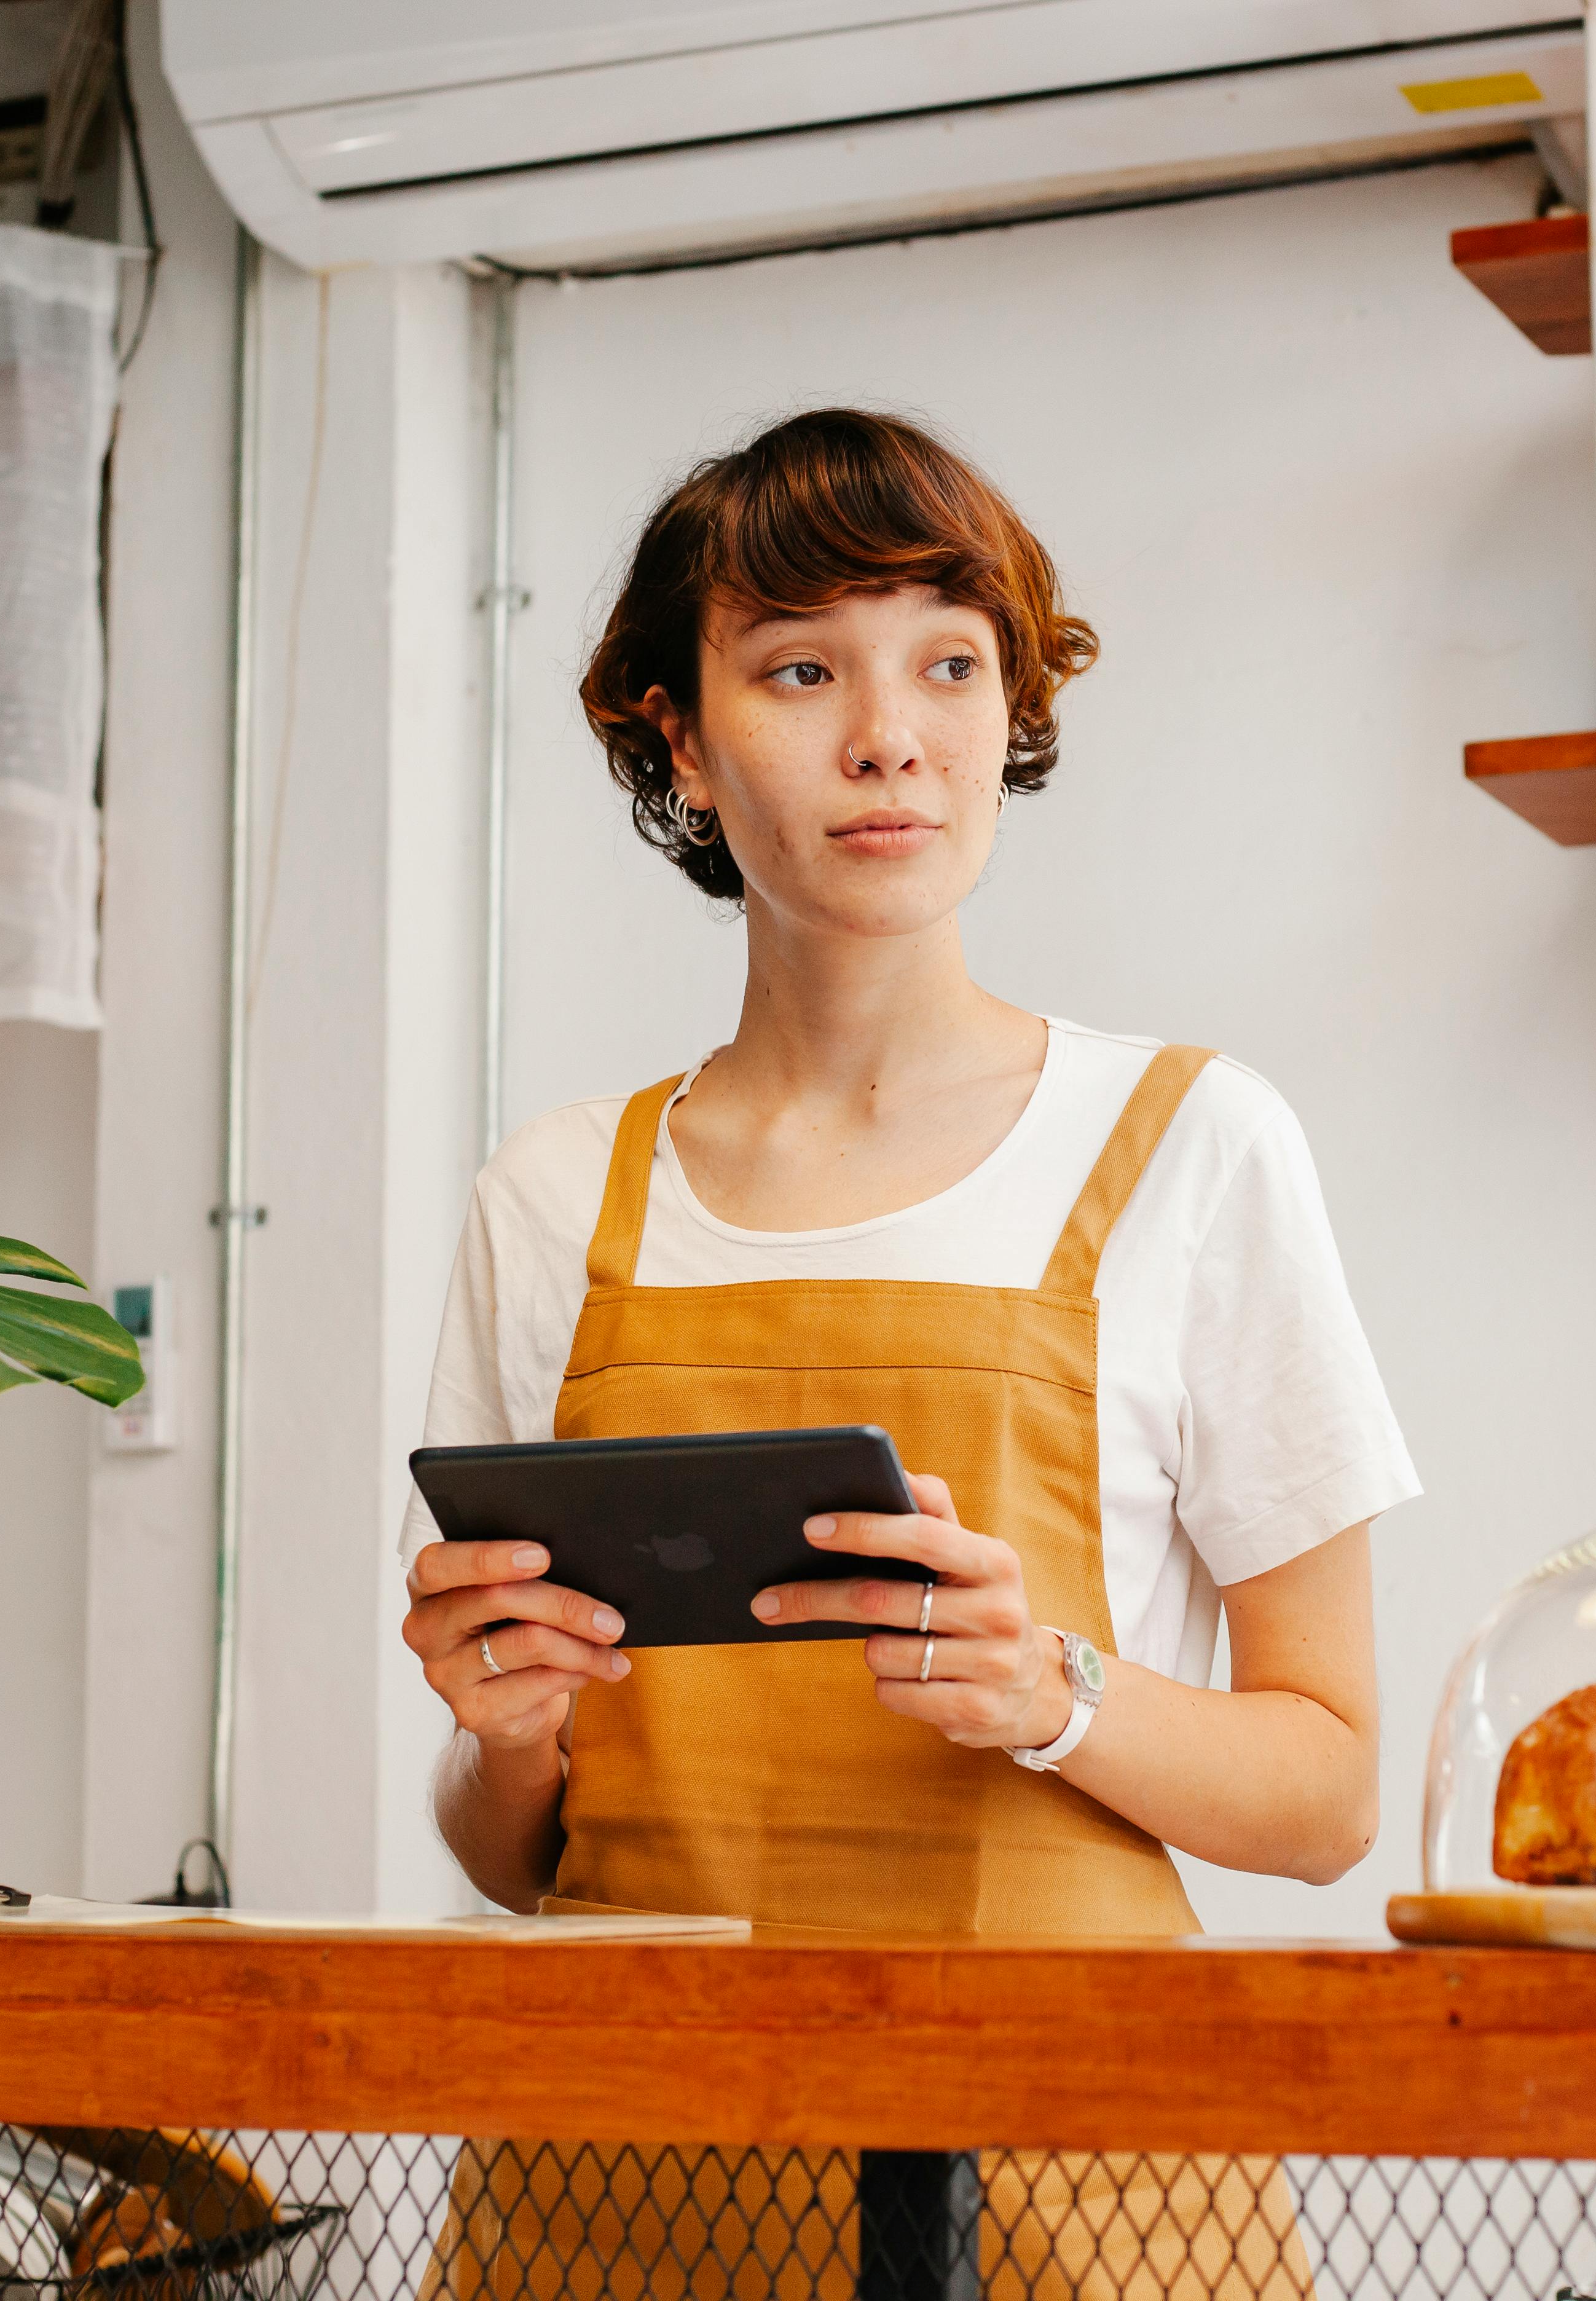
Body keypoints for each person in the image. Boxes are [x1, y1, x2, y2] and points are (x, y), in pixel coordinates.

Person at [396, 407, 1417, 2301]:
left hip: (1080, 2193)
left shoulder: (1197, 1146)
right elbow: (517, 1857)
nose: (890, 734)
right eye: (801, 669)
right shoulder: (552, 1199)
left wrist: (1051, 1691)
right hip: (623, 2200)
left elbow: (1328, 1795)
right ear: (676, 738)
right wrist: (508, 1732)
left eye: (950, 662)